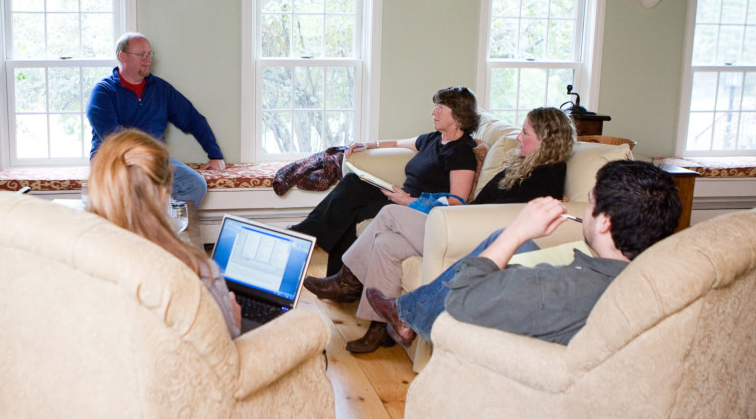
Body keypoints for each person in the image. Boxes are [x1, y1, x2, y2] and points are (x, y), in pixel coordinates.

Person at [304, 107, 576, 353]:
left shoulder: (547, 173)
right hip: (463, 222)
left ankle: (345, 280)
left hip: (472, 236)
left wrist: (454, 214)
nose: (518, 137)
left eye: (525, 133)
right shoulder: (521, 164)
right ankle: (380, 328)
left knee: (388, 215)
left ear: (546, 139)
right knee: (386, 243)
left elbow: (510, 215)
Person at [365, 160, 681, 348]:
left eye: (590, 204)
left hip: (523, 342)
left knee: (507, 239)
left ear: (605, 222)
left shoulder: (555, 288)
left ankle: (405, 313)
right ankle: (404, 313)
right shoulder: (657, 283)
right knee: (502, 237)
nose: (584, 212)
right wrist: (510, 237)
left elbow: (461, 301)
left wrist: (519, 230)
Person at [289, 86, 481, 276]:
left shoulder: (461, 152)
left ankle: (313, 247)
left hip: (414, 209)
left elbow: (457, 201)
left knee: (352, 208)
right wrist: (368, 145)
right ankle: (314, 245)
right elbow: (398, 143)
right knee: (353, 182)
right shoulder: (433, 139)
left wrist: (409, 201)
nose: (433, 112)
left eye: (440, 107)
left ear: (458, 115)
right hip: (399, 197)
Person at [87, 128, 241, 338]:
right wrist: (235, 323)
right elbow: (226, 350)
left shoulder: (76, 257)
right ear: (163, 193)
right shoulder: (201, 273)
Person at [87, 32, 225, 208]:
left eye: (149, 54)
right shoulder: (103, 92)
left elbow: (192, 118)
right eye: (141, 54)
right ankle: (145, 228)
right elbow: (113, 138)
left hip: (154, 160)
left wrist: (215, 155)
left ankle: (168, 229)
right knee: (135, 189)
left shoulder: (161, 89)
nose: (147, 59)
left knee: (195, 184)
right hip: (116, 161)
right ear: (123, 56)